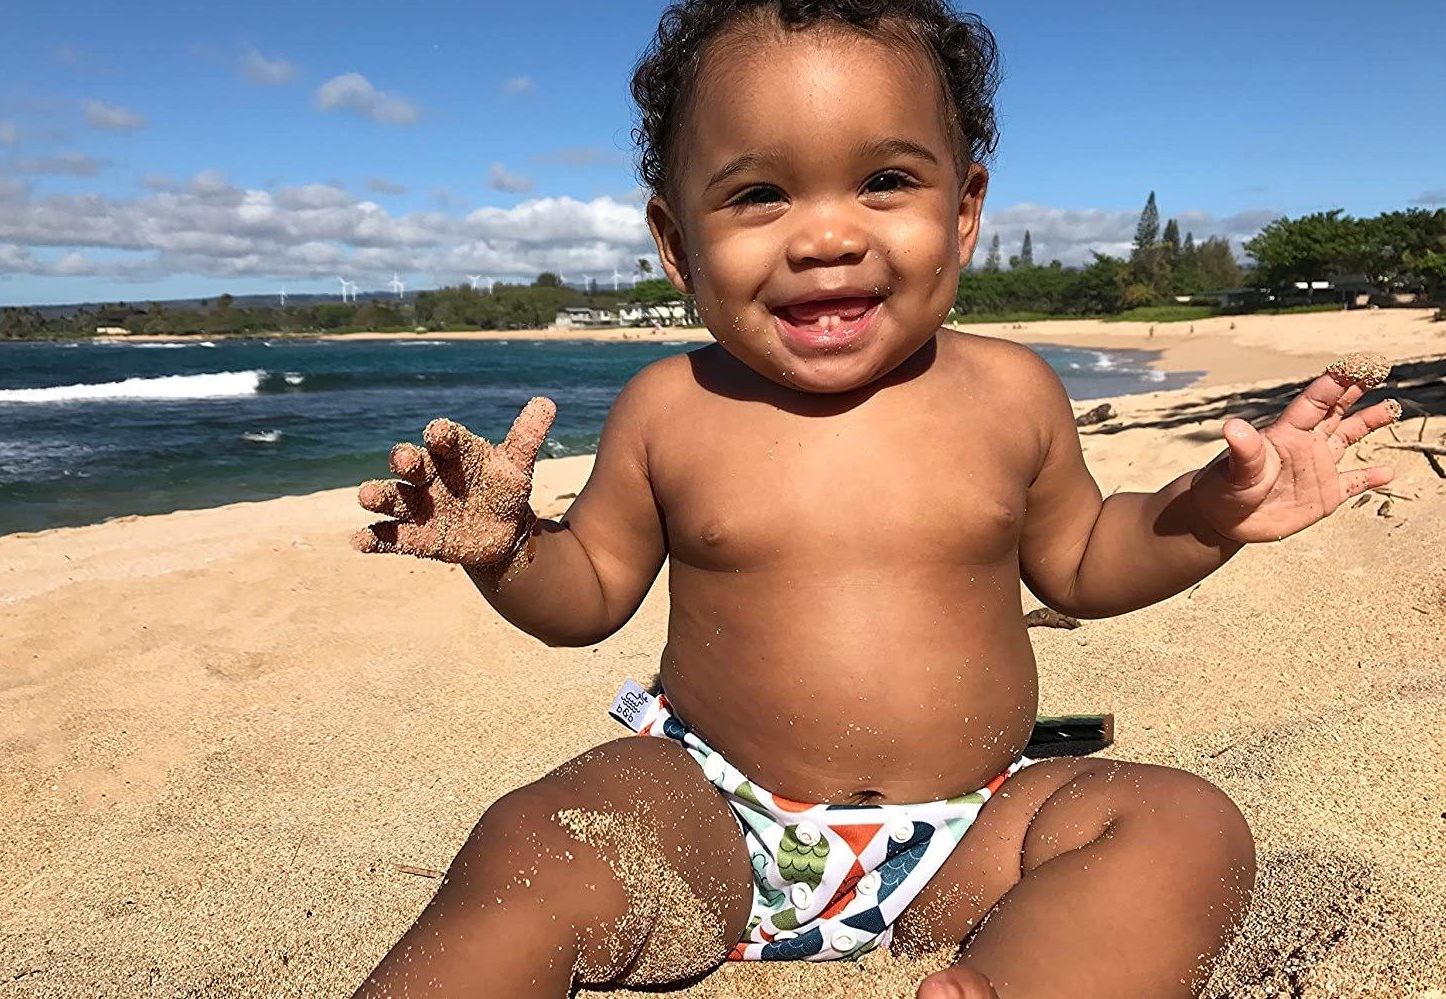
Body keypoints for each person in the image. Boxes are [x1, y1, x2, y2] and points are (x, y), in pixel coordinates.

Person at [348, 2, 1401, 996]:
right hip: (712, 814)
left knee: (1181, 822)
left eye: (885, 181)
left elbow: (1084, 559)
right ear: (677, 243)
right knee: (533, 840)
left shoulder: (1010, 393)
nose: (824, 237)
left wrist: (1205, 516)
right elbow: (588, 599)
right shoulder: (669, 407)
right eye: (759, 194)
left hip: (971, 830)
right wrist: (509, 548)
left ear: (965, 209)